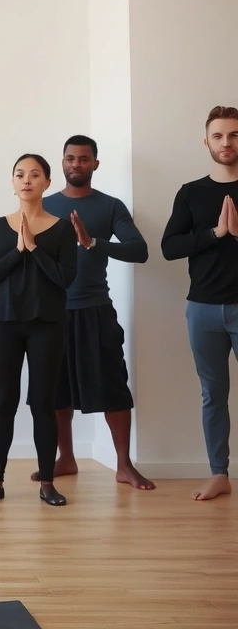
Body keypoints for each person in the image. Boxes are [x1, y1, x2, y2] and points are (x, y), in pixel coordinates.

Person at [34, 135, 154, 490]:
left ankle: (123, 464)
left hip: (95, 309)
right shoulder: (44, 204)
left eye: (84, 159)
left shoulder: (111, 206)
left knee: (113, 387)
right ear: (62, 162)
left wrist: (92, 243)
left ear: (95, 164)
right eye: (70, 158)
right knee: (56, 390)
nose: (76, 164)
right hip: (52, 312)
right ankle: (66, 458)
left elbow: (139, 250)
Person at [0, 153, 76, 507]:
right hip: (3, 325)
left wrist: (33, 247)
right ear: (13, 183)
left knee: (43, 403)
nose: (26, 180)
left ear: (47, 182)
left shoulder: (61, 229)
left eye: (34, 175)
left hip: (47, 326)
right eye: (20, 174)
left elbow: (65, 279)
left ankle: (47, 482)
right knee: (3, 403)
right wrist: (18, 251)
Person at [161, 105, 238, 502]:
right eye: (219, 136)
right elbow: (169, 247)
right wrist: (216, 233)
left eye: (234, 135)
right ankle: (219, 474)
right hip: (203, 310)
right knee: (213, 394)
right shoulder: (191, 193)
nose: (227, 143)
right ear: (206, 141)